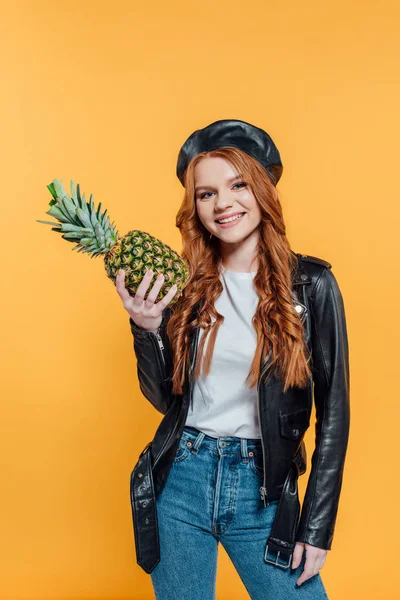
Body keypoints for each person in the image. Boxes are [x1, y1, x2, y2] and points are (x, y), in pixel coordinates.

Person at [116, 119, 350, 600]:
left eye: (238, 185)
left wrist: (317, 527)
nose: (223, 204)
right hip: (181, 478)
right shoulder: (185, 285)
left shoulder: (312, 286)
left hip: (261, 490)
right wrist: (146, 329)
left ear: (262, 190)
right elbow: (165, 398)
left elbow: (334, 414)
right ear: (194, 206)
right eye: (205, 194)